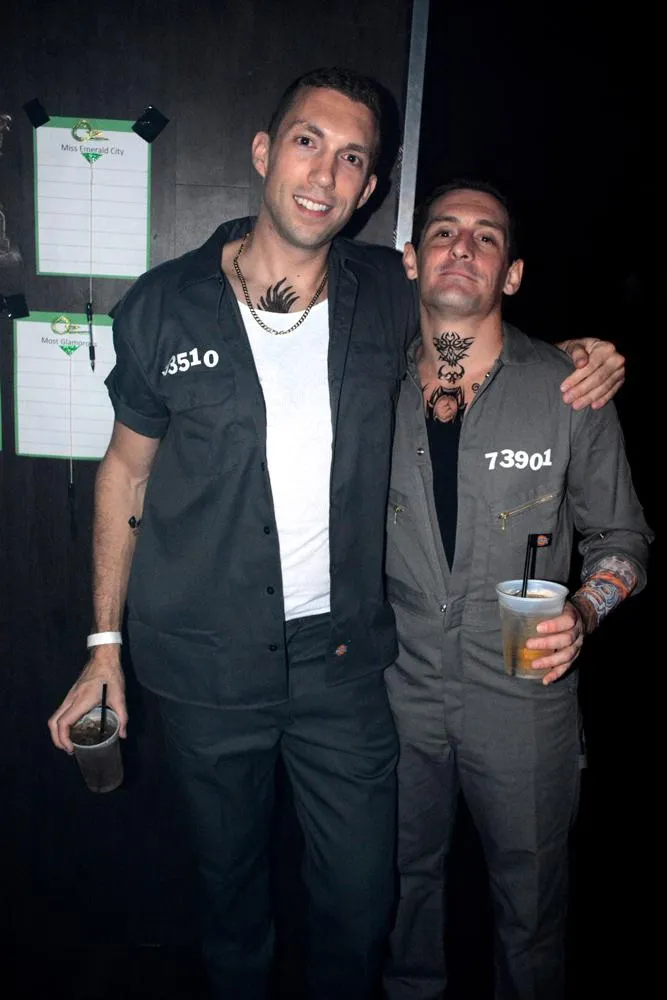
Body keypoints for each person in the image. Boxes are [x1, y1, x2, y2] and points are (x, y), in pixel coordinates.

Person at [48, 69, 624, 1000]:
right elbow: (124, 472)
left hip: (344, 668)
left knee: (363, 907)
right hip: (204, 665)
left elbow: (474, 320)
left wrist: (576, 358)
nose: (324, 173)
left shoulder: (385, 297)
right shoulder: (164, 304)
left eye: (351, 158)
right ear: (264, 152)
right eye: (307, 142)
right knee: (232, 903)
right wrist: (102, 645)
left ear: (368, 190)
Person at [382, 179, 652, 1000]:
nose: (461, 246)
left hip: (523, 695)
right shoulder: (364, 383)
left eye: (485, 236)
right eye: (442, 232)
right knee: (397, 895)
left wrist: (584, 608)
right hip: (394, 690)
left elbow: (622, 541)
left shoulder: (567, 388)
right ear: (410, 259)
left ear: (512, 274)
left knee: (530, 908)